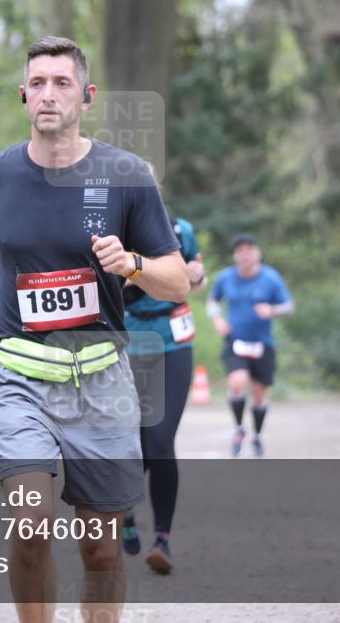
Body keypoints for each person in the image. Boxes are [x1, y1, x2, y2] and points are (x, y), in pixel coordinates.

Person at [0, 36, 189, 623]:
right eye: (37, 83)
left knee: (101, 550)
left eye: (61, 83)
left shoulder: (126, 175)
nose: (48, 94)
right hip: (19, 379)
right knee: (30, 527)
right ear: (23, 95)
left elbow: (177, 281)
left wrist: (131, 263)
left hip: (100, 382)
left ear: (87, 96)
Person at [121, 215, 205, 575]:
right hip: (128, 342)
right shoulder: (112, 228)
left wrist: (195, 275)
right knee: (134, 441)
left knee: (160, 440)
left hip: (174, 341)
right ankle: (125, 513)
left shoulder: (179, 229)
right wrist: (144, 273)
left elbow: (195, 279)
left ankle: (162, 540)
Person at [207, 234, 294, 457]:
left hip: (263, 344)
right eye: (240, 251)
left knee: (259, 394)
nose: (245, 255)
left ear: (257, 253)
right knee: (237, 382)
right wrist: (217, 319)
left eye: (249, 250)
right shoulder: (226, 277)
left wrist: (272, 310)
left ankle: (257, 436)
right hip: (235, 342)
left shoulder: (271, 278)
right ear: (235, 255)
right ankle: (239, 429)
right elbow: (212, 300)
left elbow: (289, 307)